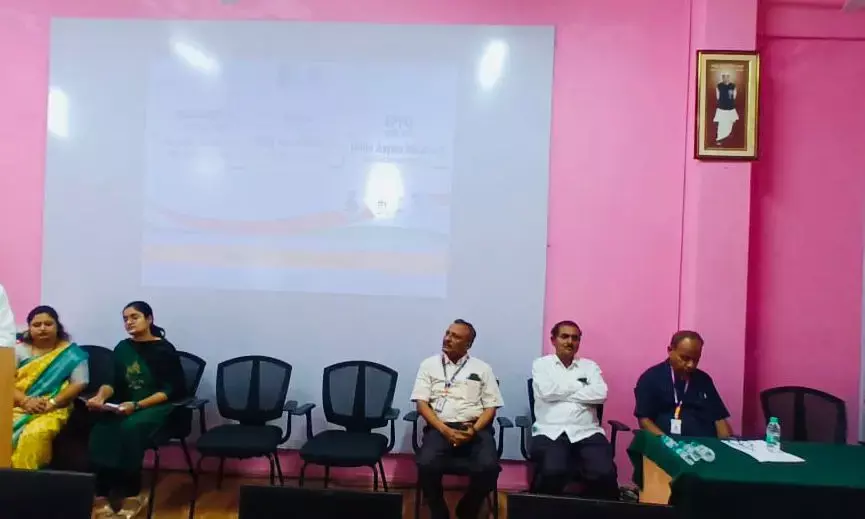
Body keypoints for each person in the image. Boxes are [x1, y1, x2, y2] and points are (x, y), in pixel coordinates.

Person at [87, 301, 186, 518]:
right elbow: (111, 382)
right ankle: (102, 493)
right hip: (125, 405)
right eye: (125, 319)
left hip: (157, 407)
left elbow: (171, 390)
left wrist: (138, 405)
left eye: (134, 317)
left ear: (149, 319)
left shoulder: (164, 349)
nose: (129, 322)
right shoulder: (123, 348)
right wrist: (101, 397)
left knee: (130, 429)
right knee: (102, 428)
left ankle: (131, 493)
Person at [411, 319, 504, 519]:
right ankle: (438, 510)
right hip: (440, 427)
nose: (448, 339)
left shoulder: (483, 369)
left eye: (455, 336)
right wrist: (444, 430)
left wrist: (474, 430)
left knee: (490, 468)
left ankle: (468, 508)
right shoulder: (428, 365)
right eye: (448, 333)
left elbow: (491, 407)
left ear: (468, 344)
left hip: (475, 428)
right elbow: (421, 404)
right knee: (426, 464)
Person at [530, 320, 618, 499]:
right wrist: (580, 386)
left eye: (575, 338)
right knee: (553, 471)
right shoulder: (541, 365)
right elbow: (547, 392)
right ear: (553, 340)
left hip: (587, 432)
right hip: (551, 431)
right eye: (564, 337)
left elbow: (600, 394)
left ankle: (589, 510)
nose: (570, 342)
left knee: (604, 473)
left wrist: (561, 391)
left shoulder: (590, 367)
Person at [12, 305, 89, 469]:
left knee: (35, 434)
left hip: (53, 408)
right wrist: (25, 401)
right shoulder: (17, 351)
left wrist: (52, 403)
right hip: (15, 404)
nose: (42, 328)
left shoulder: (71, 354)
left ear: (57, 326)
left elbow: (80, 382)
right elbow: (4, 381)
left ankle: (25, 480)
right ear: (29, 328)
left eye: (48, 324)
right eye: (36, 325)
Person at [634, 330, 733, 438]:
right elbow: (644, 420)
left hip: (704, 444)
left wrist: (727, 443)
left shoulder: (704, 380)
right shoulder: (651, 378)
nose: (691, 365)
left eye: (696, 360)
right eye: (685, 358)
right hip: (665, 443)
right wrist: (668, 443)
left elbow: (719, 418)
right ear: (670, 350)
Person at [714, 73, 738, 144]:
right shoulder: (719, 85)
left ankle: (727, 136)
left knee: (730, 123)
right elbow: (718, 97)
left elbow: (734, 96)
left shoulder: (733, 86)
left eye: (727, 77)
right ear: (722, 78)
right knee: (721, 124)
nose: (725, 78)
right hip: (721, 108)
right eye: (724, 77)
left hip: (730, 108)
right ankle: (719, 139)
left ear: (729, 77)